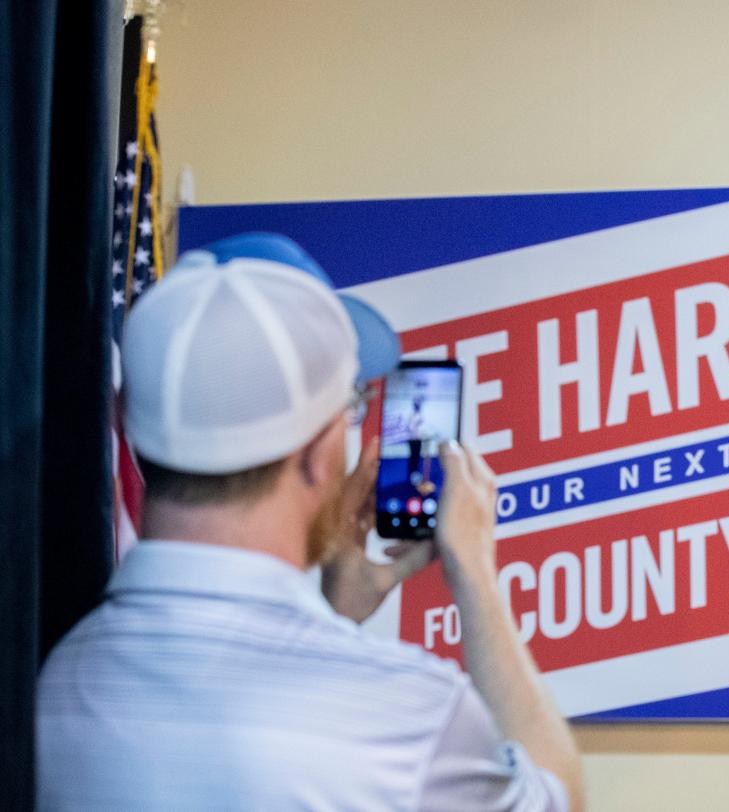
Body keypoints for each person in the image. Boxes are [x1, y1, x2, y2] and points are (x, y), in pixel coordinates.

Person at [37, 233, 584, 811]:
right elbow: (558, 799)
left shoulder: (55, 677)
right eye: (351, 409)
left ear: (128, 424)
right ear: (317, 452)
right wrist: (475, 576)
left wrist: (334, 616)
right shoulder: (409, 714)